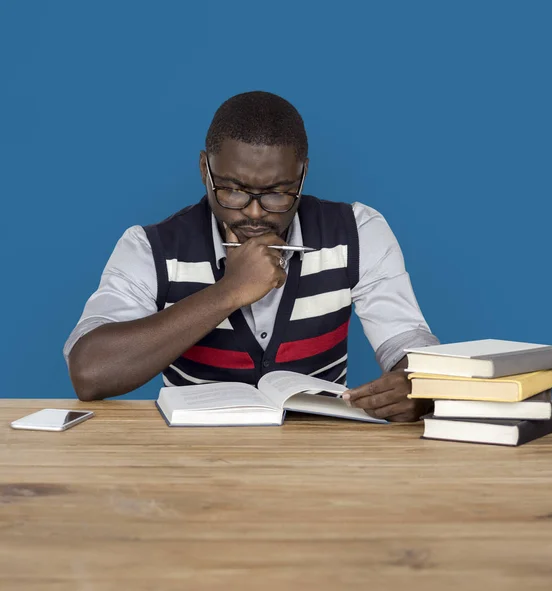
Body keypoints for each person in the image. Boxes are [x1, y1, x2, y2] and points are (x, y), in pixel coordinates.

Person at [64, 91, 439, 421]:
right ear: (204, 171)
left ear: (303, 174)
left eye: (278, 192)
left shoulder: (358, 232)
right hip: (190, 462)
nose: (255, 213)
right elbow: (90, 372)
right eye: (233, 190)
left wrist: (417, 386)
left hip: (320, 461)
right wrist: (229, 292)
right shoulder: (150, 248)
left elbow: (409, 345)